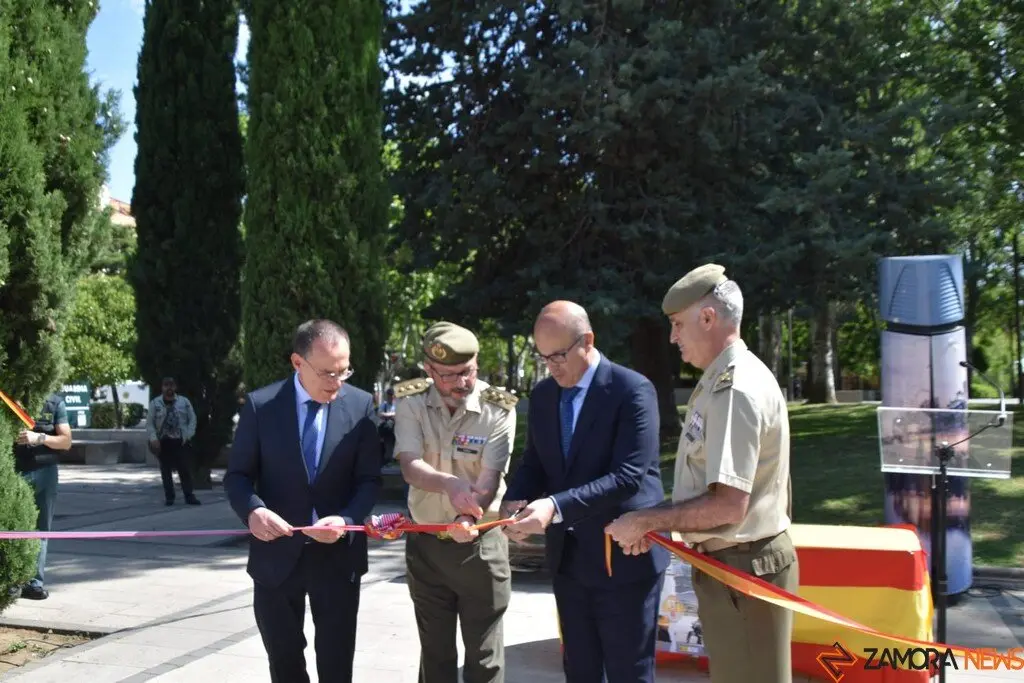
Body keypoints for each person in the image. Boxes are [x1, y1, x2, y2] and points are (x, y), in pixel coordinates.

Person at [605, 264, 798, 683]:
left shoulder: (735, 389)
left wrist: (647, 520)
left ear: (708, 318)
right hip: (734, 567)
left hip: (744, 569)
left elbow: (729, 505)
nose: (672, 337)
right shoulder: (719, 381)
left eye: (677, 325)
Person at [502, 301, 669, 683]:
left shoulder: (631, 389)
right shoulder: (545, 396)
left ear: (587, 340)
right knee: (579, 669)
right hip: (570, 561)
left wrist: (554, 507)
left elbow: (628, 475)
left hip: (624, 555)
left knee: (629, 671)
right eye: (544, 358)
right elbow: (536, 463)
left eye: (559, 355)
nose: (552, 366)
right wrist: (516, 498)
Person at [224, 319, 382, 683]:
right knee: (284, 662)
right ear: (298, 363)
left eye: (344, 371)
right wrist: (253, 510)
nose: (337, 383)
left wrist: (345, 520)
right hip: (276, 557)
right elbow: (237, 477)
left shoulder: (359, 406)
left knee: (337, 663)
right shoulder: (262, 406)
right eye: (328, 373)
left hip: (338, 557)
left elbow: (369, 480)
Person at [392, 321, 518, 683]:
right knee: (435, 655)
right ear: (429, 371)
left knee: (484, 657)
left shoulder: (498, 407)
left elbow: (490, 478)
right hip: (427, 545)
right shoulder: (411, 402)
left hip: (479, 546)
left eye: (468, 371)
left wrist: (468, 515)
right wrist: (448, 484)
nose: (461, 382)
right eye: (449, 375)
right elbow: (410, 466)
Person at [12, 392, 73, 600]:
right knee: (12, 526)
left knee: (41, 527)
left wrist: (41, 438)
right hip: (15, 469)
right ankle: (12, 580)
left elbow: (66, 441)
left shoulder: (54, 402)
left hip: (45, 470)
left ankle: (34, 583)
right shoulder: (10, 396)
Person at [146, 377, 200, 506]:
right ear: (162, 387)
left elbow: (192, 419)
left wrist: (188, 435)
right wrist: (153, 439)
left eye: (171, 385)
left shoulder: (183, 402)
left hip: (180, 441)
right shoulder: (155, 403)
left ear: (175, 387)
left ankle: (189, 495)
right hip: (163, 441)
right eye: (166, 385)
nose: (169, 388)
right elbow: (150, 423)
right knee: (166, 471)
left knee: (184, 469)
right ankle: (169, 497)